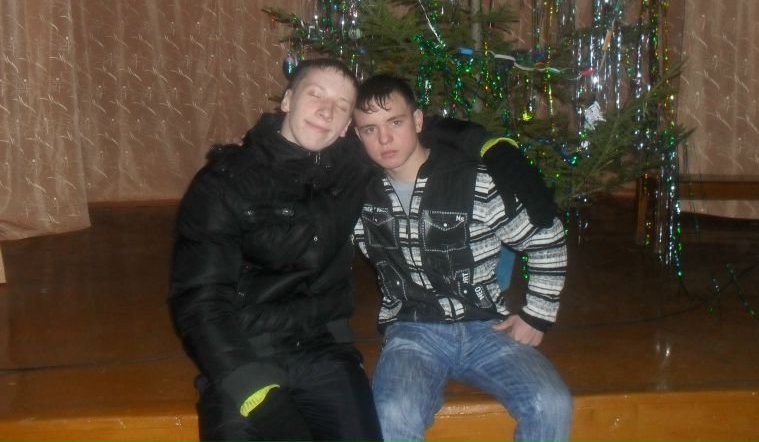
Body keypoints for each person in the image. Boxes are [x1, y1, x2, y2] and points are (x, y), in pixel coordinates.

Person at [169, 58, 557, 442]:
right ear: (287, 100)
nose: (326, 111)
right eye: (315, 94)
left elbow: (405, 127)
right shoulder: (225, 182)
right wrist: (255, 393)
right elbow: (200, 301)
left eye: (340, 105)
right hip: (242, 347)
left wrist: (495, 147)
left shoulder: (352, 165)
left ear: (345, 128)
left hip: (322, 347)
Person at [351, 74, 573, 442]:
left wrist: (537, 314)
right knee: (391, 413)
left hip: (486, 325)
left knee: (551, 403)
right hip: (412, 328)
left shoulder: (473, 181)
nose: (384, 139)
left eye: (395, 122)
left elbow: (546, 237)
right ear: (357, 136)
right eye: (370, 129)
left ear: (418, 121)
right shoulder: (358, 194)